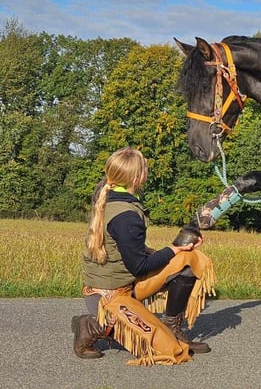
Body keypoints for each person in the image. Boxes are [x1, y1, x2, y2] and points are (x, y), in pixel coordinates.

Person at [73, 147, 216, 365]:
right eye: (145, 169)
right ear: (138, 177)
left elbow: (130, 251)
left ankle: (171, 325)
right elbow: (139, 266)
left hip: (128, 284)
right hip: (108, 297)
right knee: (172, 350)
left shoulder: (114, 198)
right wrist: (172, 250)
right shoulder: (127, 215)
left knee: (191, 260)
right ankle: (93, 325)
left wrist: (181, 249)